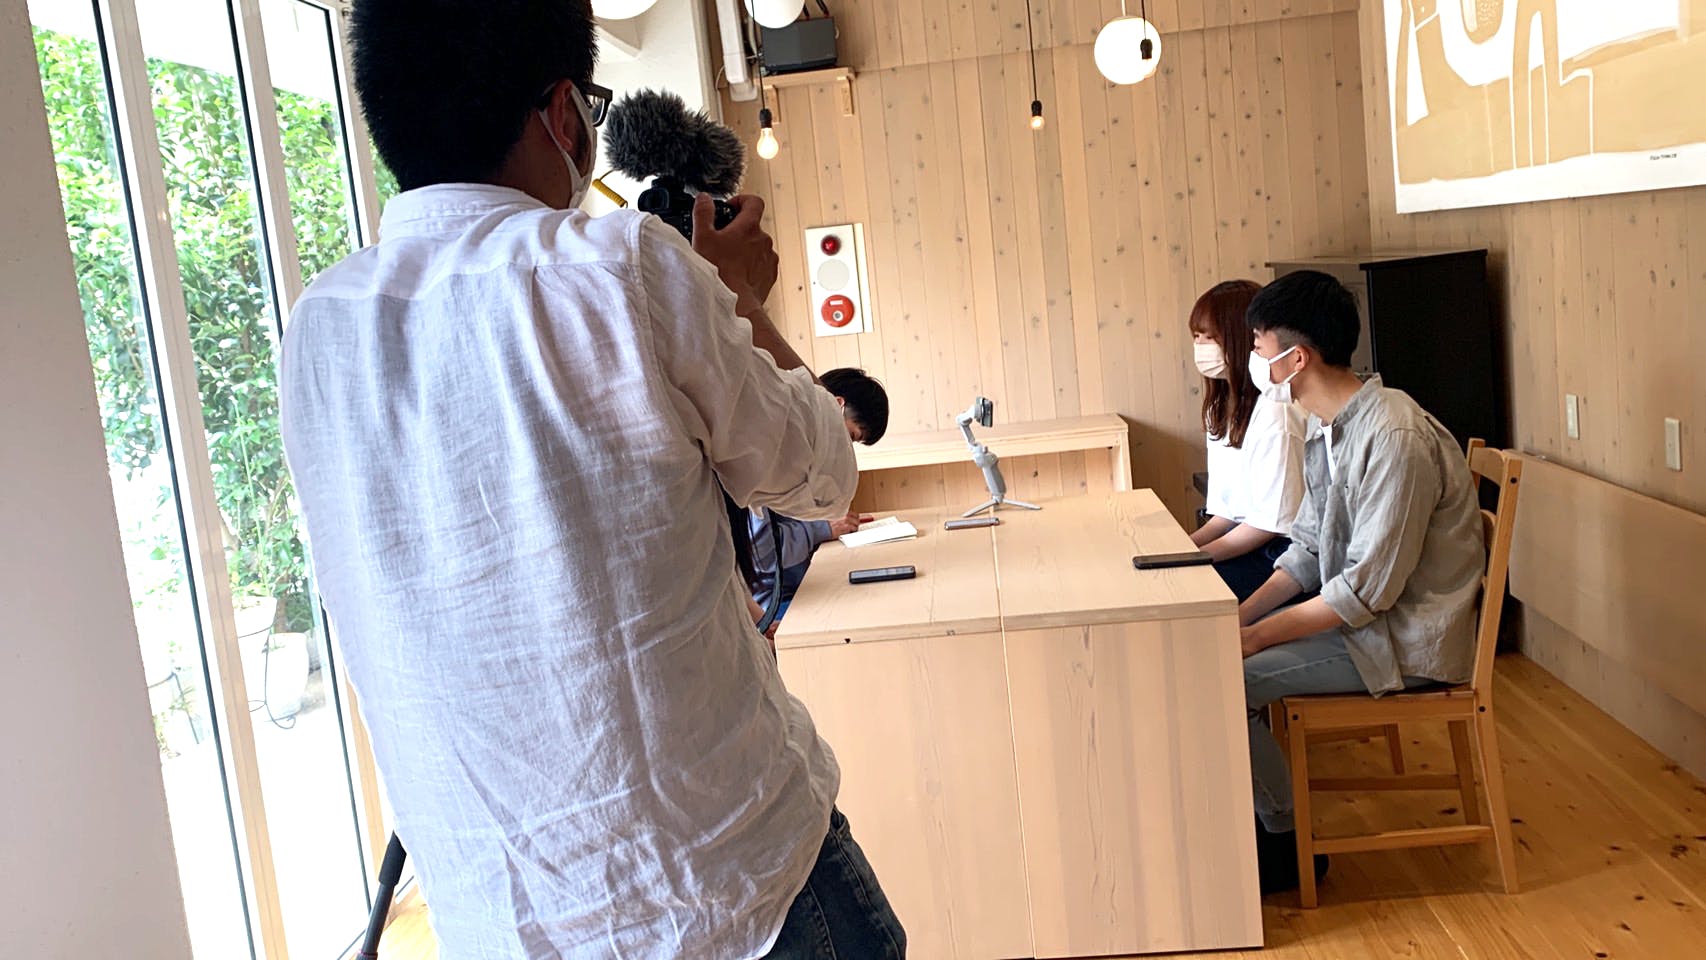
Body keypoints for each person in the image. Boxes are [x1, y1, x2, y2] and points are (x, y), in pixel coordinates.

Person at [276, 2, 905, 957]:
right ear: (566, 117)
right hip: (732, 890)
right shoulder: (622, 268)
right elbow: (821, 476)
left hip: (502, 921)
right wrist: (740, 300)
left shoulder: (318, 331)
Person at [1234, 270, 1486, 894]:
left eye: (1260, 347)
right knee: (1219, 657)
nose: (1255, 361)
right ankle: (1262, 825)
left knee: (1223, 681)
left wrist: (1255, 639)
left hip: (1402, 642)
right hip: (1366, 627)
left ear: (1298, 358)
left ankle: (1287, 842)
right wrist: (1240, 618)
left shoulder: (1394, 434)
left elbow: (1366, 591)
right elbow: (1307, 549)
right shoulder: (1335, 425)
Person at [1185, 280, 1307, 602]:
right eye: (1196, 337)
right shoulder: (1220, 408)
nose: (1200, 347)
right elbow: (1227, 514)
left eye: (1210, 337)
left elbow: (1269, 524)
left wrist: (1195, 558)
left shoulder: (1277, 414)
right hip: (1248, 540)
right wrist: (1182, 548)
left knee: (1185, 590)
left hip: (1281, 551)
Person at [748, 368, 890, 621]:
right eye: (849, 437)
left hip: (804, 584)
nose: (845, 450)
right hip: (777, 602)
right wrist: (822, 529)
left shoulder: (802, 456)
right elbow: (763, 556)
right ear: (836, 405)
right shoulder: (770, 453)